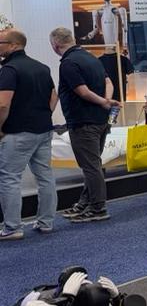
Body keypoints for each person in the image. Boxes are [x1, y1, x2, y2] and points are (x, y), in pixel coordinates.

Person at [50, 27, 115, 223]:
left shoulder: (68, 63)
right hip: (100, 120)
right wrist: (106, 100)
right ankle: (85, 203)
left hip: (83, 122)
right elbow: (109, 82)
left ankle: (98, 208)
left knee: (91, 167)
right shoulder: (91, 58)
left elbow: (82, 91)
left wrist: (103, 102)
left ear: (56, 45)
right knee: (92, 165)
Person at [0, 30, 58, 240]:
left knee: (9, 178)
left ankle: (12, 227)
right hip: (43, 129)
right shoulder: (42, 67)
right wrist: (43, 115)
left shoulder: (9, 70)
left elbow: (3, 104)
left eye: (1, 42)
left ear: (14, 45)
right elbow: (54, 96)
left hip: (18, 131)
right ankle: (46, 222)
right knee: (45, 176)